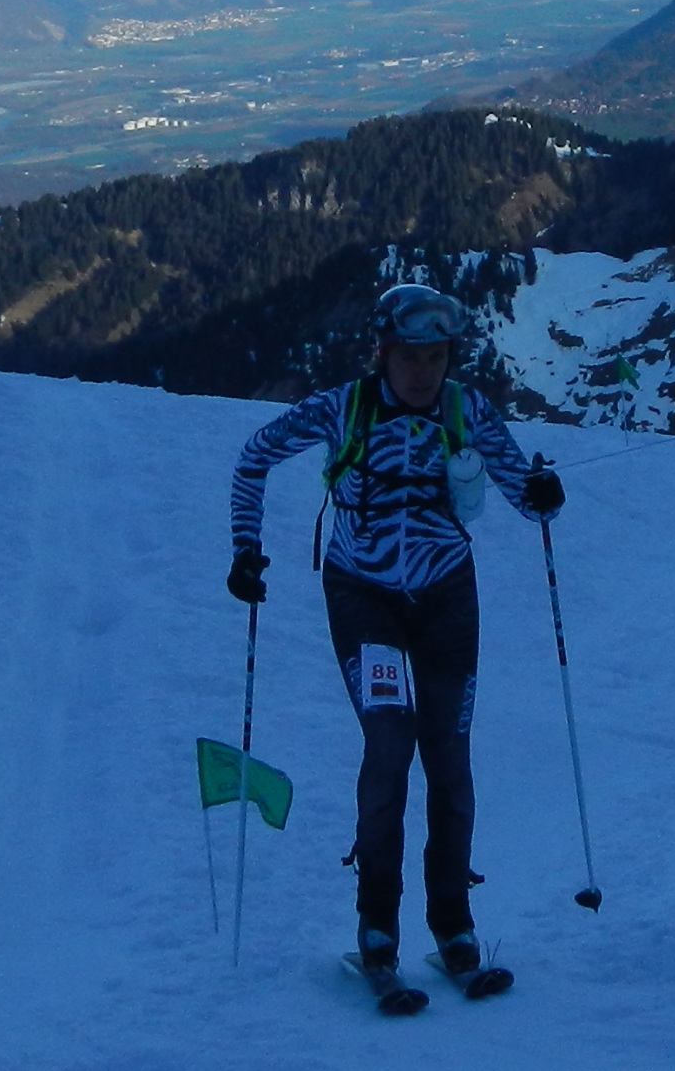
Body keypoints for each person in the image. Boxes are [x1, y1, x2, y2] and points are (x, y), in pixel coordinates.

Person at [227, 282, 566, 988]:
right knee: (389, 741)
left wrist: (545, 496)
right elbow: (254, 457)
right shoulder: (343, 408)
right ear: (383, 353)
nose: (422, 371)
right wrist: (245, 549)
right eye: (410, 356)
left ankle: (454, 926)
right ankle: (377, 927)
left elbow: (524, 496)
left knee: (449, 755)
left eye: (436, 357)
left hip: (447, 598)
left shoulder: (467, 410)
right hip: (364, 597)